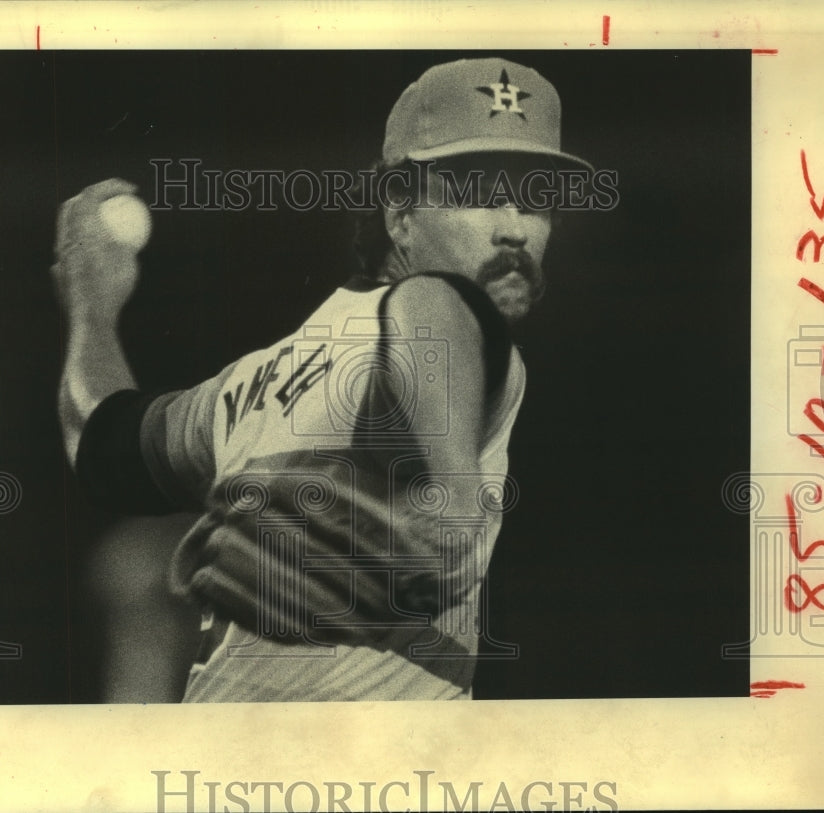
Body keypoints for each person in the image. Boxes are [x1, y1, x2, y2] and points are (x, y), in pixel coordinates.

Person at [52, 58, 592, 701]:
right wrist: (454, 494)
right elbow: (435, 318)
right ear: (399, 215)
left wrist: (92, 304)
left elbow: (100, 440)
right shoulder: (444, 310)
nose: (516, 228)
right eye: (478, 191)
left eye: (537, 201)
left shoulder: (250, 385)